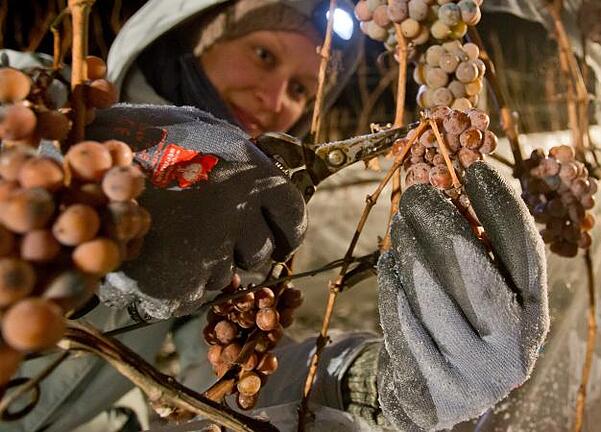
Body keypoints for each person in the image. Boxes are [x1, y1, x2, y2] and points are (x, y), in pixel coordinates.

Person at [3, 1, 550, 431]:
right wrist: (108, 185)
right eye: (264, 55)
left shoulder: (239, 224)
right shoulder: (39, 107)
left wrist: (379, 384)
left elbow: (223, 377)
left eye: (300, 90)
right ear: (197, 34)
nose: (274, 98)